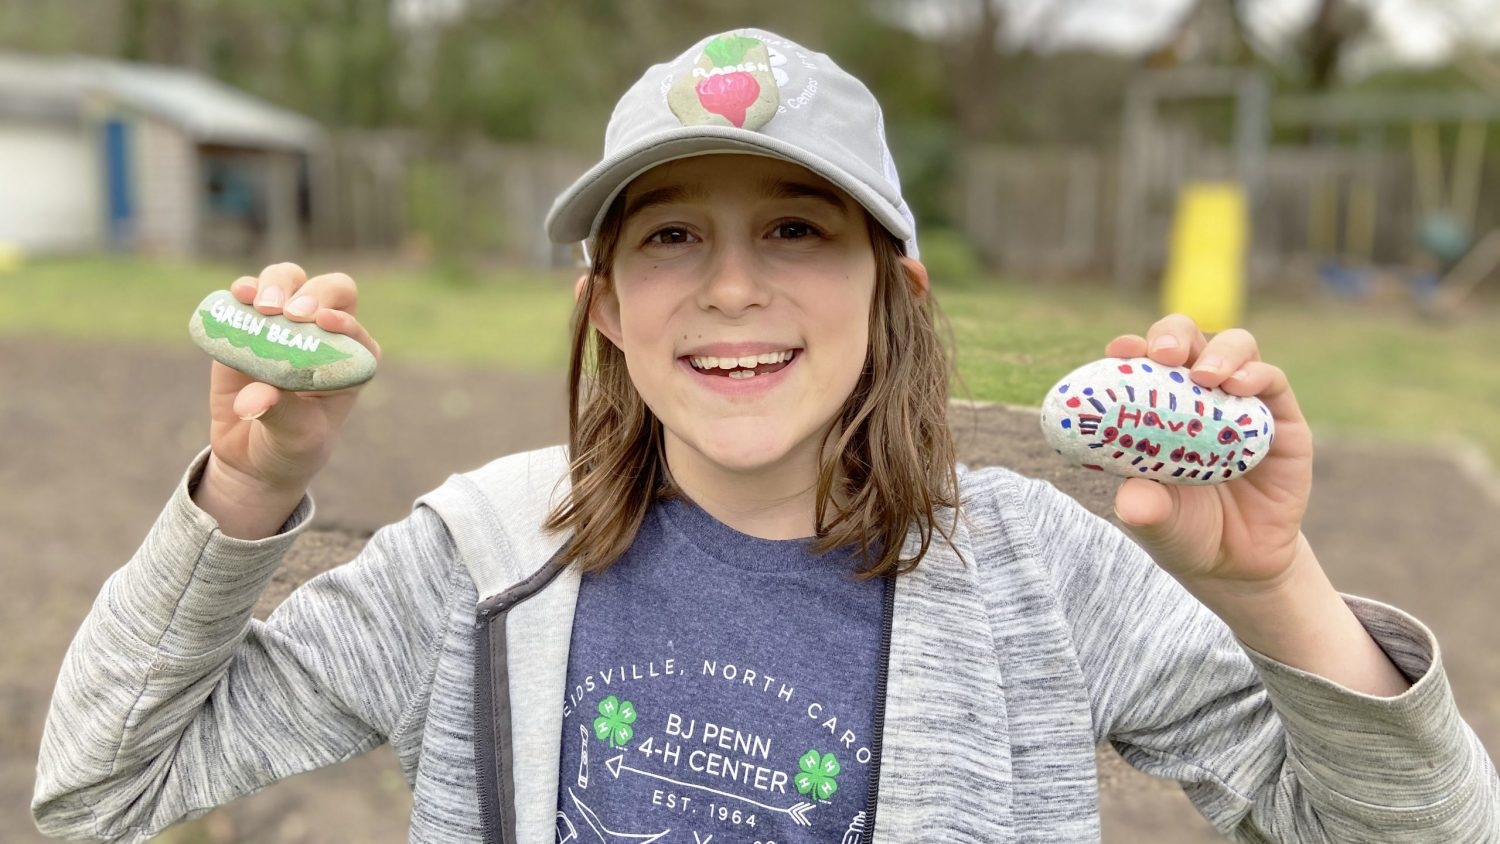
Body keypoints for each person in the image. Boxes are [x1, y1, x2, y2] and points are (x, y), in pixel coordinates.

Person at [32, 27, 1499, 844]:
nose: (732, 282)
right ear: (605, 303)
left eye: (796, 226)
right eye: (672, 234)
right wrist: (246, 489)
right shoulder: (478, 563)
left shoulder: (1041, 576)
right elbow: (100, 790)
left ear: (892, 286)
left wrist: (1267, 584)